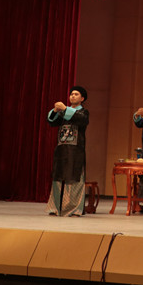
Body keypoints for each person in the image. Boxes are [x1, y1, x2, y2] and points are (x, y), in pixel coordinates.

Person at [46, 86, 89, 217]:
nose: (73, 96)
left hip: (75, 151)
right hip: (61, 149)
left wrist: (65, 109)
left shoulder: (83, 112)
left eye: (76, 94)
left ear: (82, 98)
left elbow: (80, 119)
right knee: (57, 178)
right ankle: (55, 208)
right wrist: (55, 110)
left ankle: (74, 209)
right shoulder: (63, 113)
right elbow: (51, 122)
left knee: (74, 179)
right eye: (71, 94)